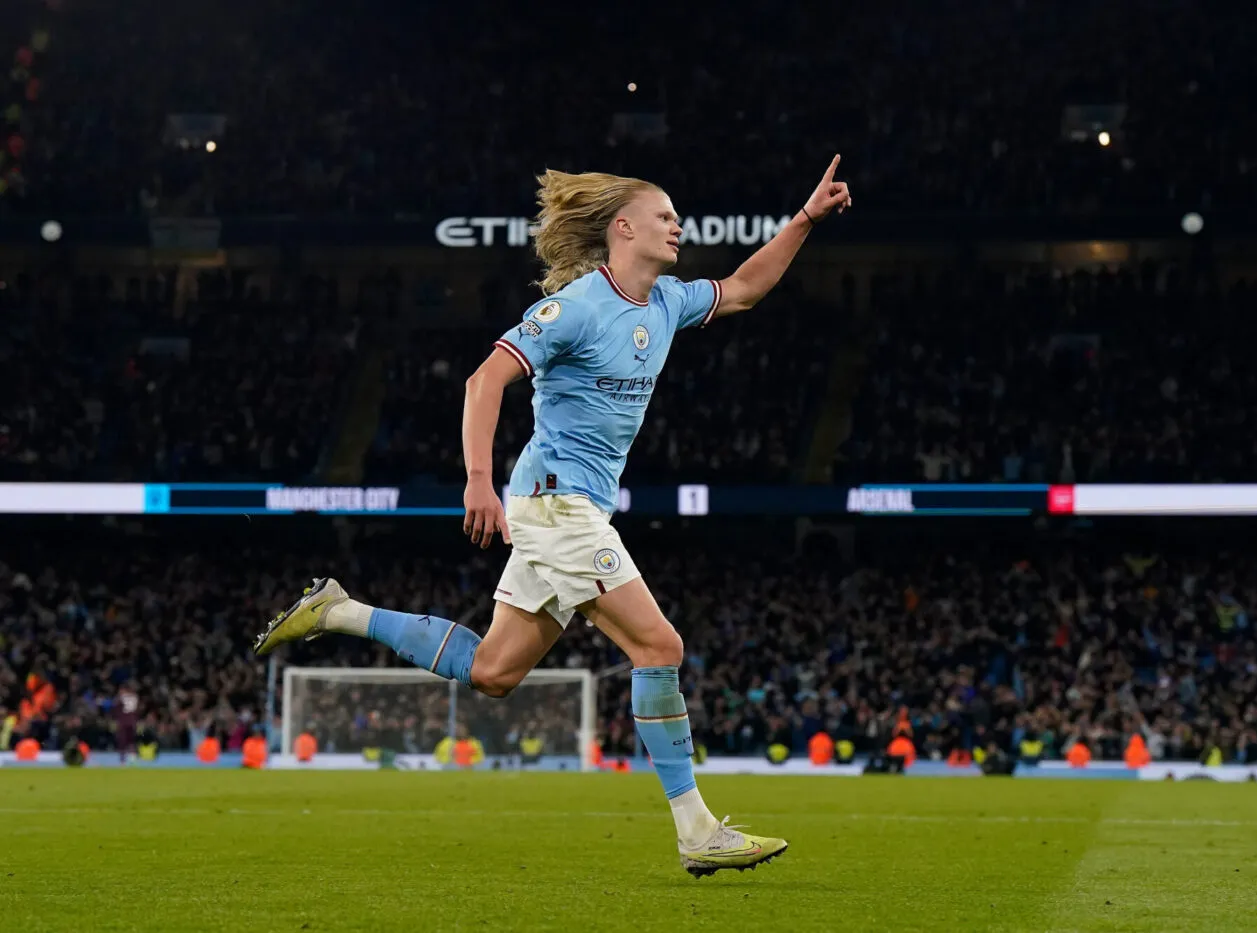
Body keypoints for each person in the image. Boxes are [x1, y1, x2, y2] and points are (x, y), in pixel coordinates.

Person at [256, 156, 852, 875]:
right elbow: (485, 379)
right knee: (659, 647)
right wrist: (478, 481)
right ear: (623, 228)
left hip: (577, 508)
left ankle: (338, 611)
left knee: (494, 670)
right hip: (553, 503)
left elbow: (747, 288)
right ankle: (696, 828)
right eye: (665, 216)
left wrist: (807, 218)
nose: (678, 226)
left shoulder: (665, 303)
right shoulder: (572, 308)